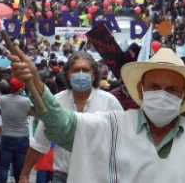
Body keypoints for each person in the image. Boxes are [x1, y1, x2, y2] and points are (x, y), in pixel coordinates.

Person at [12, 47, 185, 183]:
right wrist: (35, 83)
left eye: (171, 89)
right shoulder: (112, 126)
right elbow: (62, 125)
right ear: (141, 89)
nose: (162, 94)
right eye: (154, 87)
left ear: (183, 95)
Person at [20, 52, 123, 183]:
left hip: (98, 175)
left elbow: (122, 142)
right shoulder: (57, 102)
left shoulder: (109, 102)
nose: (80, 74)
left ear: (94, 75)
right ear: (67, 75)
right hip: (63, 175)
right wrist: (25, 174)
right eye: (75, 70)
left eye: (85, 70)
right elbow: (40, 143)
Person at [0, 77, 32, 183]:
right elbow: (30, 113)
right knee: (20, 168)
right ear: (21, 88)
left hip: (6, 136)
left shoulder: (2, 99)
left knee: (3, 167)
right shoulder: (26, 101)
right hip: (22, 138)